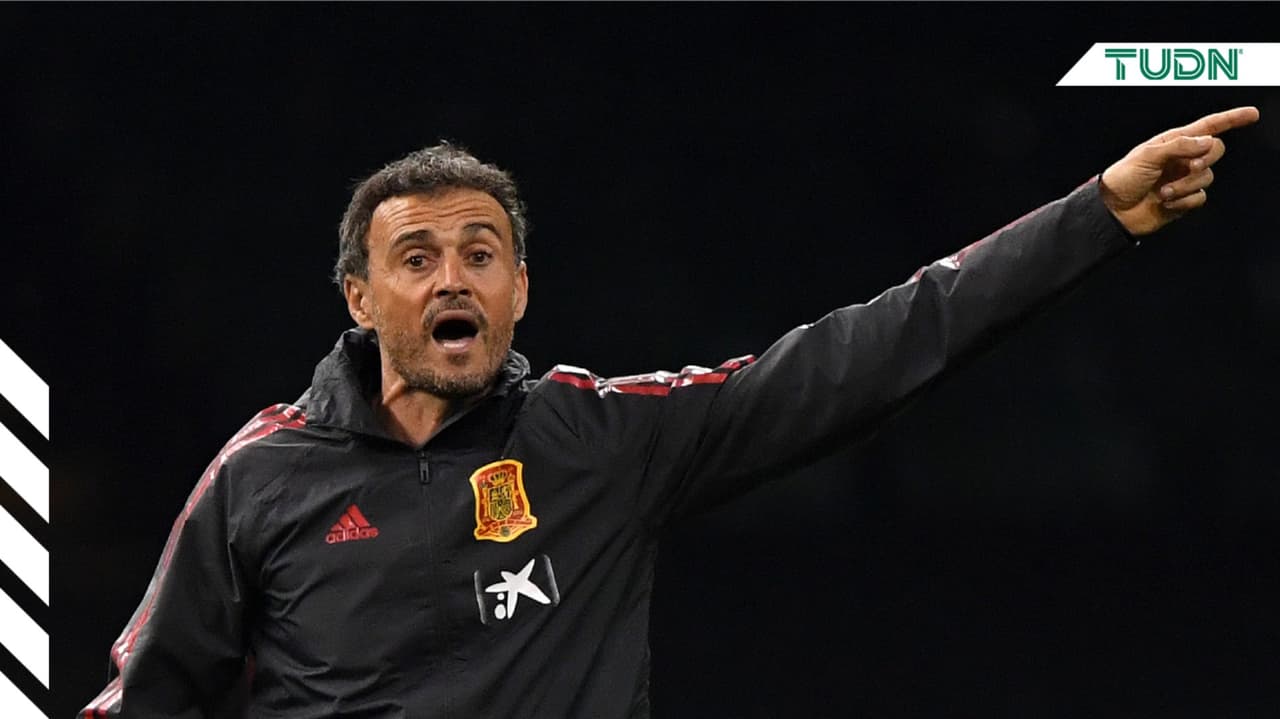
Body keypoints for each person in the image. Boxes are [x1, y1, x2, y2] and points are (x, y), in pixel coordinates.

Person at [79, 106, 1260, 718]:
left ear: (519, 287)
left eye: (480, 254)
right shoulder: (263, 473)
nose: (452, 280)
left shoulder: (600, 438)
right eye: (417, 258)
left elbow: (867, 350)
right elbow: (148, 696)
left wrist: (1096, 215)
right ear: (358, 295)